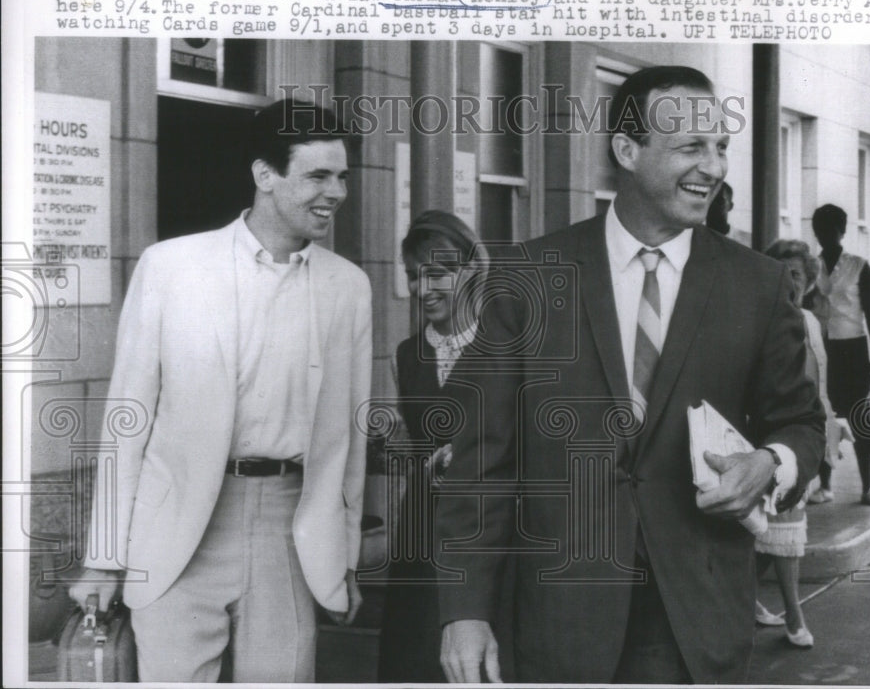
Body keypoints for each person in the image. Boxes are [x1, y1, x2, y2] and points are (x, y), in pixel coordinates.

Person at [435, 66, 826, 683]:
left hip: (695, 619)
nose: (715, 167)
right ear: (627, 150)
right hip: (558, 616)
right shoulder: (532, 276)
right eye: (691, 147)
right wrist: (464, 610)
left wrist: (773, 462)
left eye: (721, 147)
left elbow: (801, 422)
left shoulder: (757, 285)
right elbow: (481, 462)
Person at [69, 99, 372, 682]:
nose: (335, 191)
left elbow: (349, 444)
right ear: (265, 175)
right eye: (317, 175)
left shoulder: (348, 288)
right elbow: (125, 422)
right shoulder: (170, 267)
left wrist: (346, 558)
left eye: (342, 177)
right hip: (179, 531)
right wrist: (104, 559)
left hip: (291, 529)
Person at [377, 210, 489, 682]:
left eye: (437, 273)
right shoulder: (408, 353)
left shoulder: (507, 346)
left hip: (489, 539)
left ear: (471, 270)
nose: (424, 290)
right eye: (412, 277)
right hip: (421, 542)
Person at [755, 239, 845, 649]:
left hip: (804, 436)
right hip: (766, 438)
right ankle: (794, 614)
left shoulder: (809, 320)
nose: (789, 281)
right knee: (783, 526)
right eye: (781, 273)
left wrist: (831, 425)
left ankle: (745, 598)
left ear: (808, 282)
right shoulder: (757, 318)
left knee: (766, 531)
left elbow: (817, 382)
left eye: (797, 274)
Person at [809, 204, 870, 506]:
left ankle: (869, 487)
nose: (825, 234)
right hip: (822, 349)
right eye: (820, 228)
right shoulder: (812, 266)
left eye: (830, 228)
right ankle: (825, 486)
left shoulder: (859, 266)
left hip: (853, 349)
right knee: (824, 415)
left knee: (859, 416)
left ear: (842, 230)